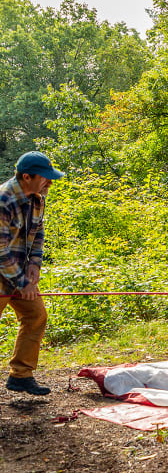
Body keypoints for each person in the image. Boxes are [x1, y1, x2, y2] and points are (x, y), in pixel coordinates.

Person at [0, 151, 64, 396]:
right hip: (4, 272)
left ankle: (21, 375)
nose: (50, 182)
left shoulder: (38, 198)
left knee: (36, 316)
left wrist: (34, 268)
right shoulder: (3, 200)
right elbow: (0, 251)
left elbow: (38, 234)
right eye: (45, 177)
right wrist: (22, 282)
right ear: (26, 177)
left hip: (18, 274)